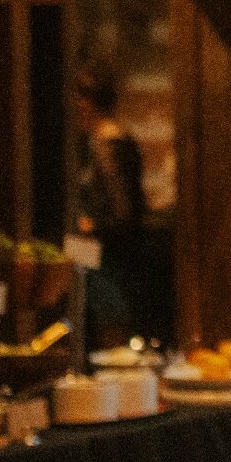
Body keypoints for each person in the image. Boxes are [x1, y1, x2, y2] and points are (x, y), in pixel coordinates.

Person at [73, 65, 167, 345]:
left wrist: (89, 224)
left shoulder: (106, 145)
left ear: (88, 102)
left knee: (110, 327)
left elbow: (121, 211)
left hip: (108, 256)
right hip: (113, 253)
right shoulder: (113, 141)